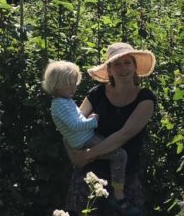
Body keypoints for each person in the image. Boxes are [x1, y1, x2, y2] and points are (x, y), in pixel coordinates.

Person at [64, 42, 156, 216]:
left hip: (124, 179)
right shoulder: (96, 94)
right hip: (89, 177)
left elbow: (124, 135)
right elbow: (71, 125)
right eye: (117, 64)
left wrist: (88, 154)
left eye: (127, 63)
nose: (123, 68)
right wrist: (74, 155)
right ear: (110, 70)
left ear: (135, 67)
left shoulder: (145, 99)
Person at [41, 59, 130, 206]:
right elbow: (75, 125)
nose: (73, 87)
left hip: (85, 138)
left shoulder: (64, 101)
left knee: (110, 148)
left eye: (74, 83)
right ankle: (119, 193)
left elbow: (76, 119)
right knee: (120, 155)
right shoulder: (60, 104)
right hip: (85, 140)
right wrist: (93, 121)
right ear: (56, 85)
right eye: (69, 84)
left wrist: (87, 120)